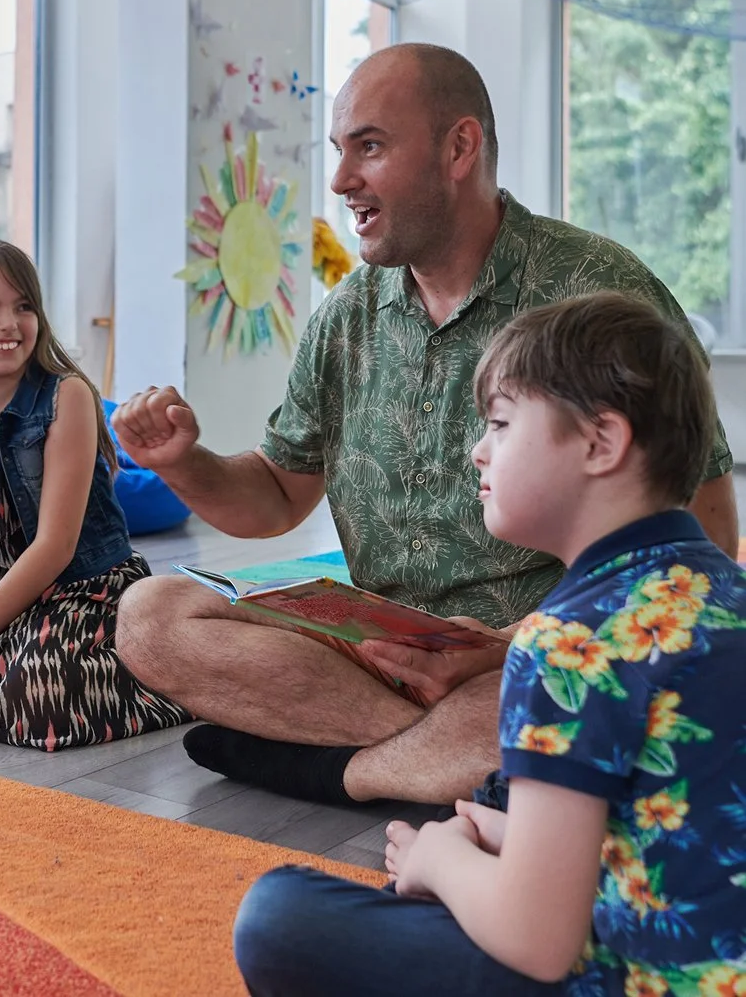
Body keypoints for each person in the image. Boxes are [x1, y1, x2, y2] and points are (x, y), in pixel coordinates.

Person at [112, 43, 738, 807]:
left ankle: (349, 772)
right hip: (373, 646)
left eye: (368, 147)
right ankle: (468, 764)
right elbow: (276, 496)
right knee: (151, 616)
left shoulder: (597, 294)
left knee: (594, 693)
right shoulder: (345, 318)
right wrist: (185, 463)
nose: (341, 181)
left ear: (459, 147)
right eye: (340, 152)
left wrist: (507, 649)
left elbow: (701, 533)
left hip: (531, 650)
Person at [232, 292, 746, 996]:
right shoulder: (728, 593)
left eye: (501, 424)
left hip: (642, 976)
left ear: (601, 442)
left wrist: (442, 861)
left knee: (279, 915)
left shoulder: (569, 642)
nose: (479, 449)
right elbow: (689, 827)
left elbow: (538, 942)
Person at [0, 239, 191, 749]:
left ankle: (174, 679)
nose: (9, 323)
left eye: (24, 306)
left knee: (40, 699)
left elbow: (56, 547)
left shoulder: (67, 395)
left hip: (88, 592)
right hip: (11, 601)